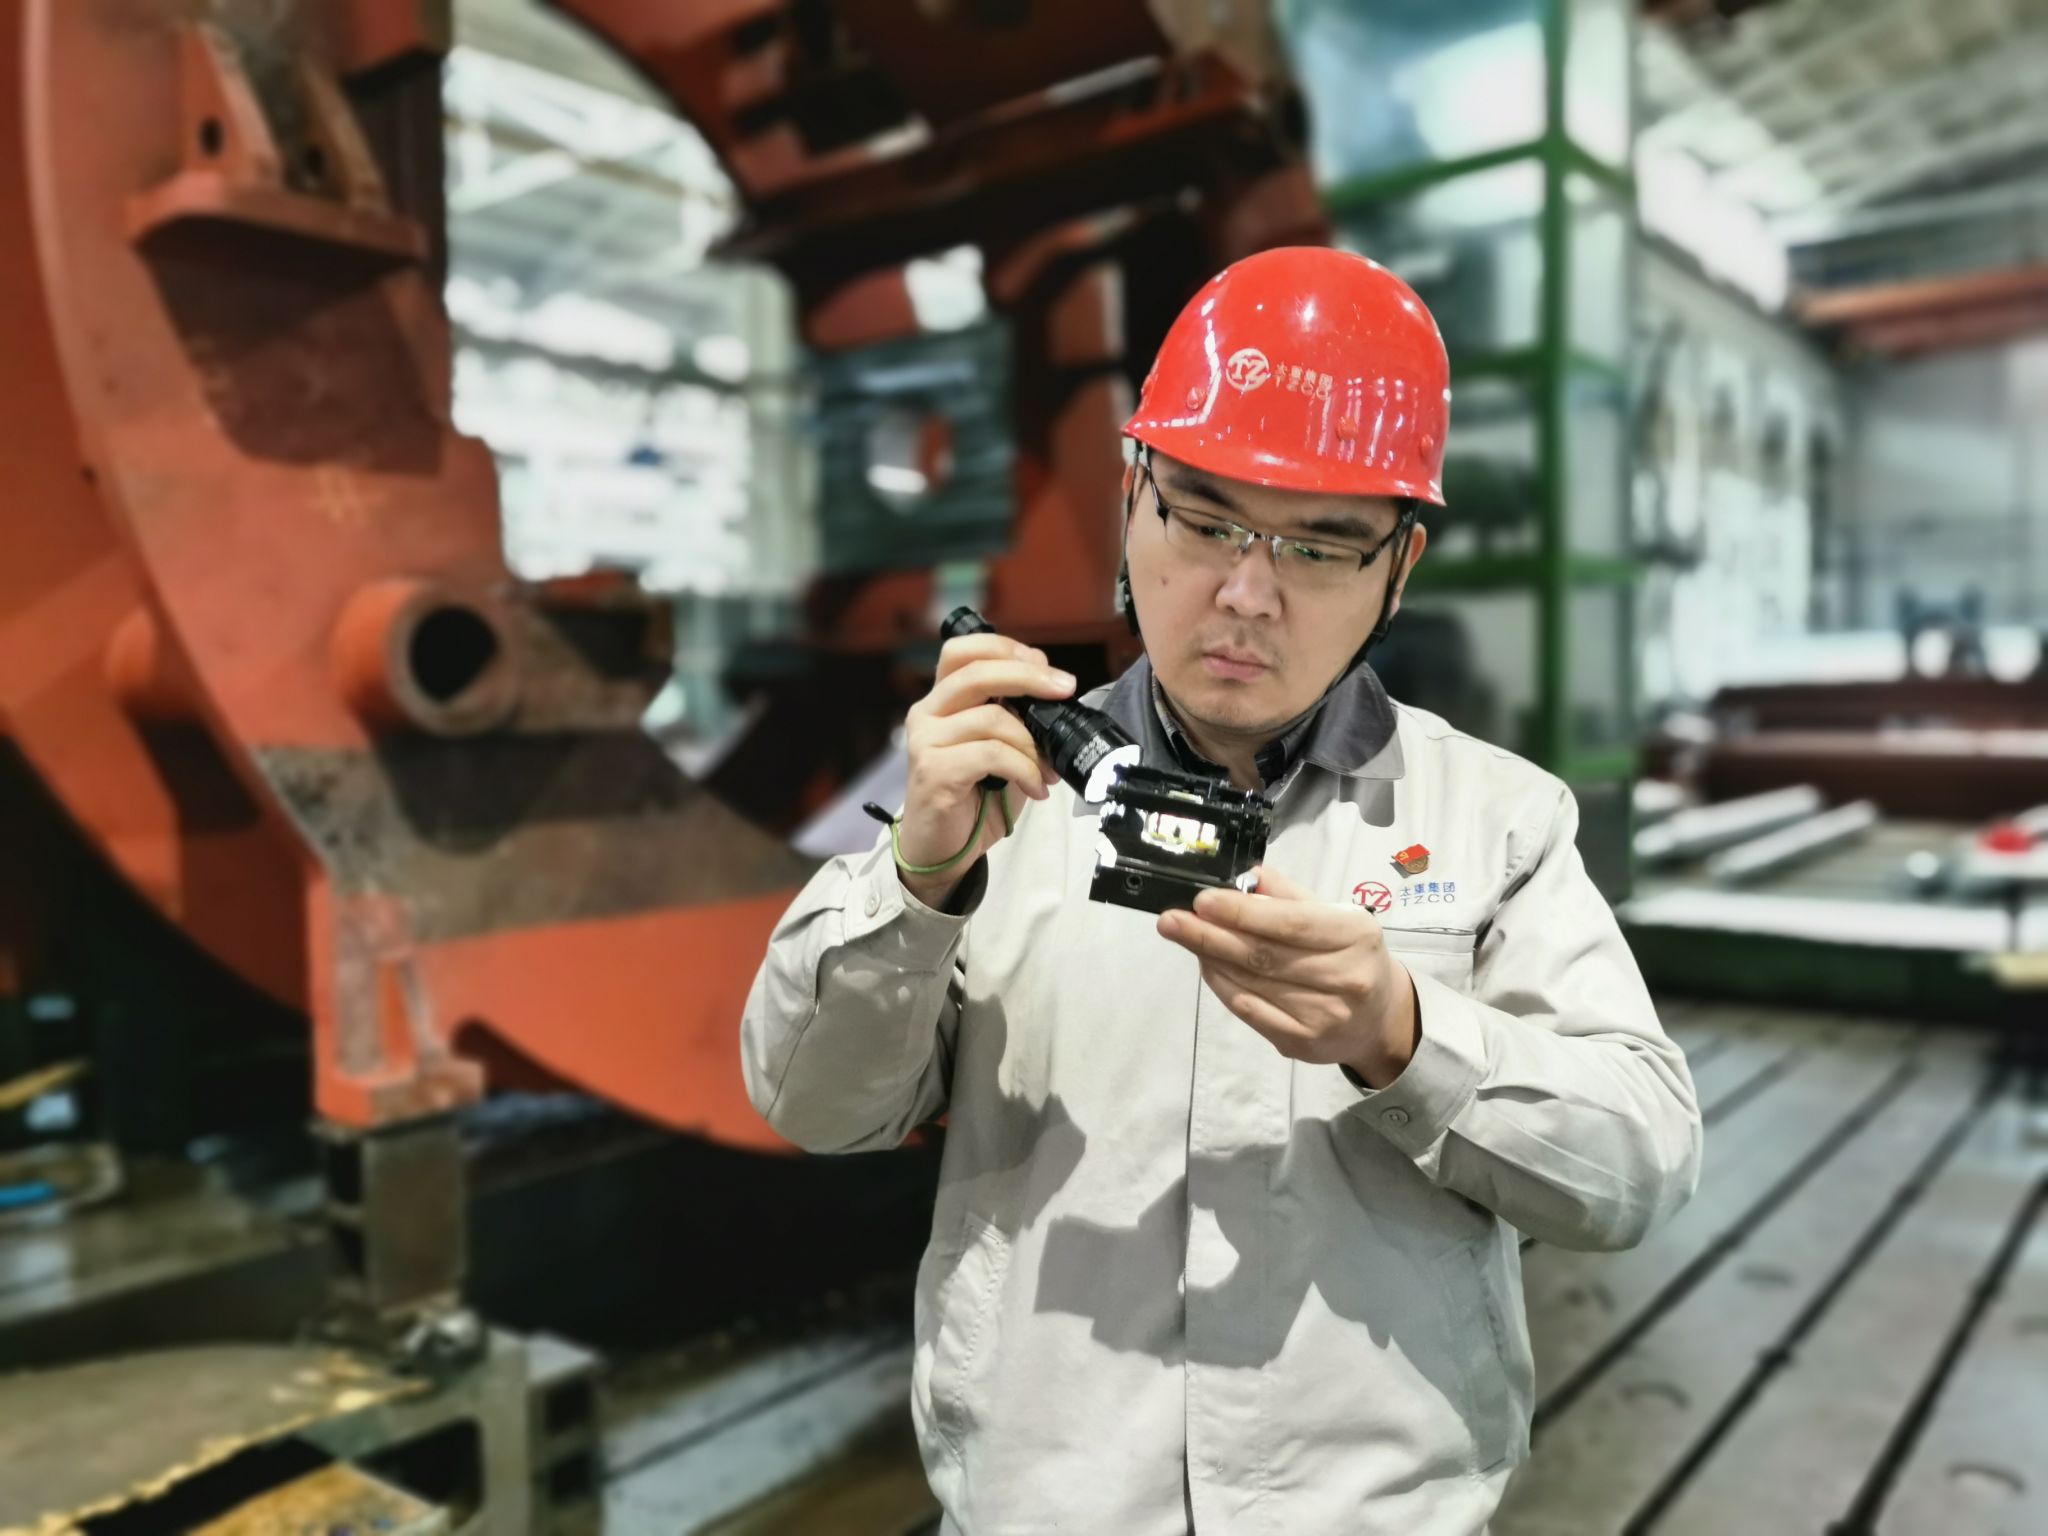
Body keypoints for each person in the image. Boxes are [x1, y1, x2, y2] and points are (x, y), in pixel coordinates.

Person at [740, 247, 1701, 1534]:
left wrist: (1402, 1036)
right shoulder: (994, 796)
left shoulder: (1495, 818)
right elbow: (812, 1105)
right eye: (1203, 521)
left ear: (1399, 566)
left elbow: (1635, 1167)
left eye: (1320, 546)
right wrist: (918, 880)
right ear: (1130, 498)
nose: (1246, 595)